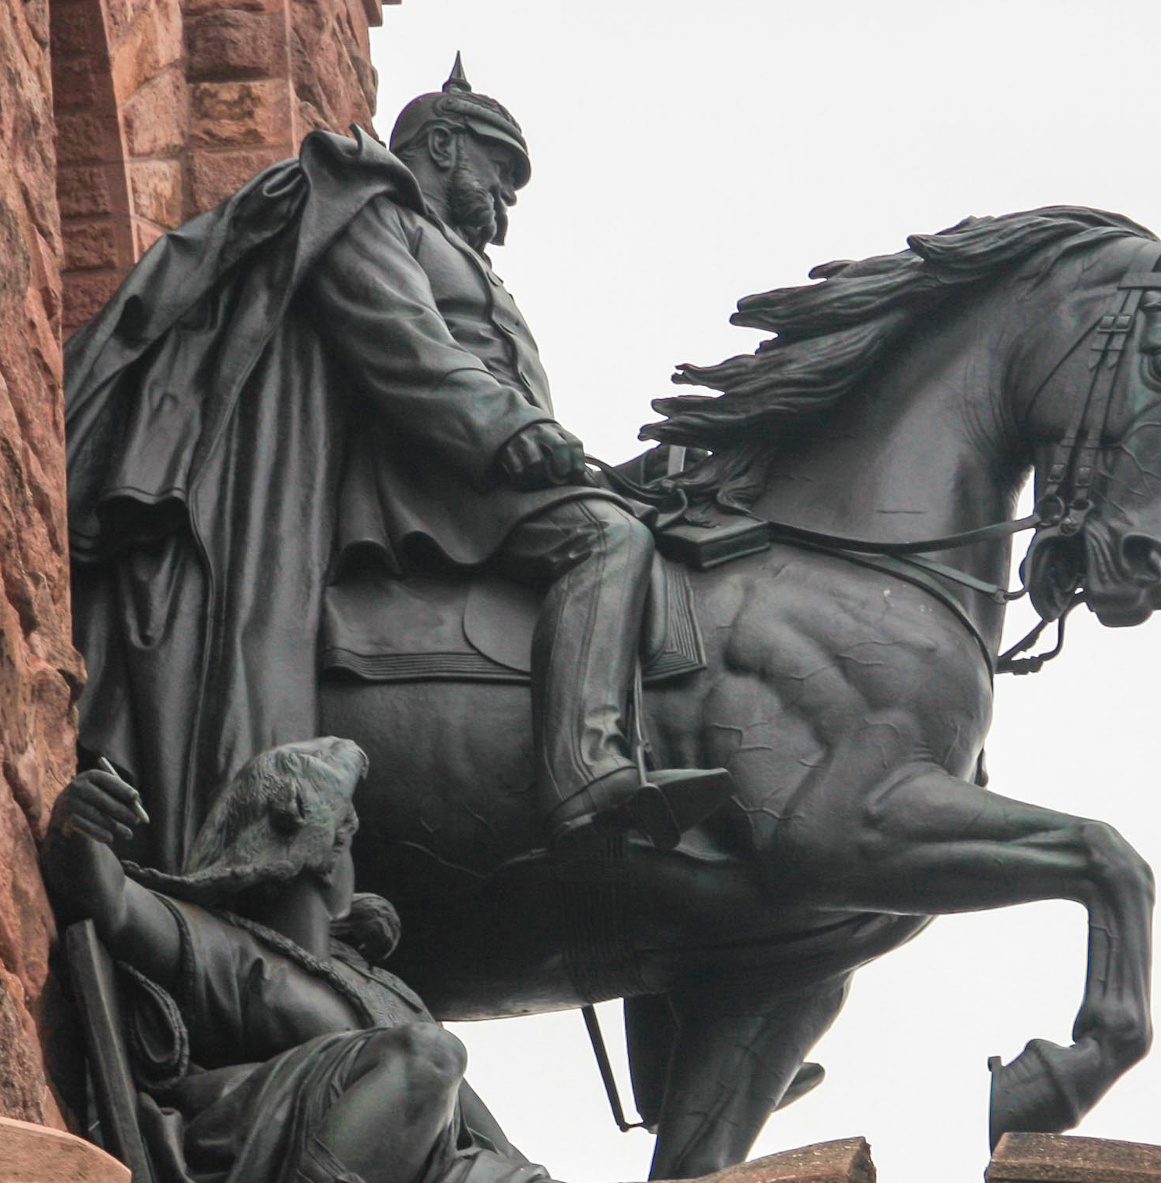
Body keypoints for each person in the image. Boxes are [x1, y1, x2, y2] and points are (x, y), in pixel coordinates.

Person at [66, 57, 729, 868]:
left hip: (483, 464)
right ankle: (587, 776)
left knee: (642, 529)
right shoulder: (370, 210)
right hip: (423, 480)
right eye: (502, 176)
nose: (507, 211)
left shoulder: (466, 261)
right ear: (444, 145)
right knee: (605, 542)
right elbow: (402, 344)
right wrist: (503, 429)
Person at [43, 737, 549, 1183]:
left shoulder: (389, 993)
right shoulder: (226, 947)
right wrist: (77, 828)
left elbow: (474, 1121)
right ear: (327, 850)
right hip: (256, 1161)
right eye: (350, 838)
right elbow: (110, 899)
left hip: (419, 1167)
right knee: (428, 1052)